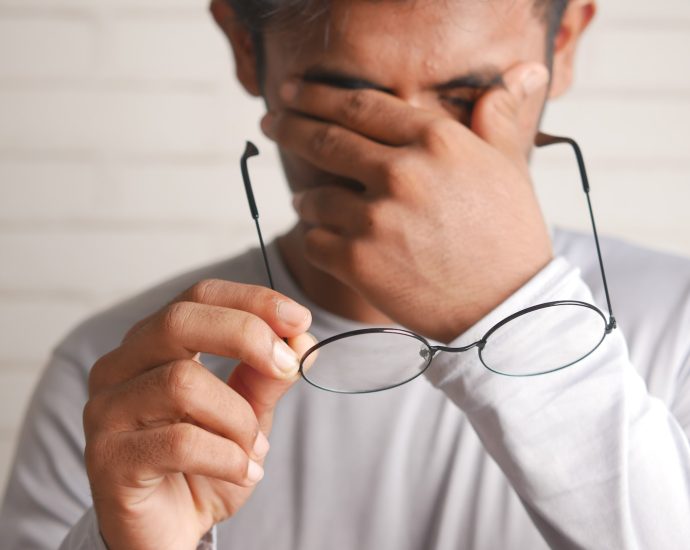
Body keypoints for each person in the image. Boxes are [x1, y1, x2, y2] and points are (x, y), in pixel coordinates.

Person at [2, 0, 690, 548]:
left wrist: (513, 311)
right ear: (247, 48)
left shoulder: (677, 324)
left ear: (564, 39)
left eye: (465, 95)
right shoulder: (125, 378)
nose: (412, 157)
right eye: (349, 98)